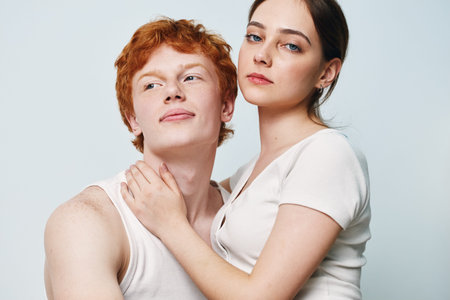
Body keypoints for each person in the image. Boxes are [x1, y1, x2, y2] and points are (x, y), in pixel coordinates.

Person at [122, 0, 371, 299]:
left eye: (290, 46)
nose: (262, 56)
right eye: (255, 37)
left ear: (326, 72)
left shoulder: (328, 155)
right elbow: (194, 186)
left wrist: (171, 225)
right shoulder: (248, 175)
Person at [43, 18, 237, 299]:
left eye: (191, 77)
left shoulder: (248, 216)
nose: (173, 92)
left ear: (226, 106)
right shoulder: (85, 221)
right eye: (152, 85)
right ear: (132, 119)